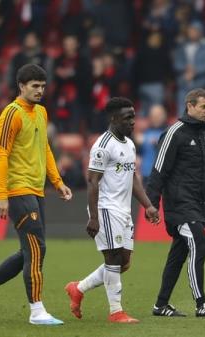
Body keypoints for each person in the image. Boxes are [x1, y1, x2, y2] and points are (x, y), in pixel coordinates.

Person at [0, 64, 72, 325]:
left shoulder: (41, 112)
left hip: (36, 190)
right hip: (17, 190)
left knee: (30, 250)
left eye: (43, 86)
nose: (40, 91)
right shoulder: (11, 114)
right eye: (35, 86)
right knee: (37, 248)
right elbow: (0, 153)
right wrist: (2, 195)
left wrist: (57, 181)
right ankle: (37, 311)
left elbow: (44, 148)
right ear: (21, 86)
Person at [64, 97, 160, 323]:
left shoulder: (128, 143)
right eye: (128, 118)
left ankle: (78, 288)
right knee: (114, 259)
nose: (133, 122)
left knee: (123, 262)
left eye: (134, 117)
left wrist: (148, 205)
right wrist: (94, 217)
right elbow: (92, 181)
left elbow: (133, 177)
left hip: (124, 211)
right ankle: (116, 312)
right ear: (114, 118)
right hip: (106, 209)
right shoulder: (103, 145)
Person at [146, 88, 205, 318]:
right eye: (203, 107)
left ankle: (161, 304)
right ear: (189, 105)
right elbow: (158, 170)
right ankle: (201, 303)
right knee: (200, 243)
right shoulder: (174, 133)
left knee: (178, 255)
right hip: (179, 204)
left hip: (197, 204)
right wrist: (151, 204)